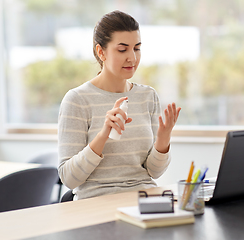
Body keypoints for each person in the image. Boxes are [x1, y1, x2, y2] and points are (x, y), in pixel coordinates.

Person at [58, 10, 181, 200]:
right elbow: (69, 179)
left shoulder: (148, 96)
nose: (132, 58)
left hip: (144, 200)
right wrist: (102, 135)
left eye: (137, 48)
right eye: (122, 50)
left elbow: (154, 172)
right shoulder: (77, 100)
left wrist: (162, 142)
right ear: (101, 52)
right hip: (97, 202)